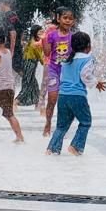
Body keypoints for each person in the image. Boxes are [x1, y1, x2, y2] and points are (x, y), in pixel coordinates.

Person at [46, 31, 105, 156]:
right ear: (88, 46)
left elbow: (62, 76)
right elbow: (85, 75)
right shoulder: (88, 59)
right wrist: (96, 83)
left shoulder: (66, 60)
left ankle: (52, 149)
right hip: (77, 96)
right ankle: (75, 147)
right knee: (85, 122)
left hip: (63, 96)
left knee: (61, 126)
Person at [41, 8, 77, 137]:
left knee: (67, 101)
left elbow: (76, 54)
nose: (67, 20)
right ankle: (48, 123)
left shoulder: (73, 37)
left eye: (70, 18)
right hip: (54, 70)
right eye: (65, 18)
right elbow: (46, 53)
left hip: (68, 72)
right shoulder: (52, 35)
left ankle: (61, 126)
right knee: (52, 99)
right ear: (59, 19)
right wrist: (44, 40)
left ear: (74, 21)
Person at [17, 24, 43, 108]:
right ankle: (15, 102)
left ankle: (37, 103)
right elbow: (40, 56)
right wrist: (45, 63)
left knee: (34, 84)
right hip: (30, 63)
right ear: (35, 33)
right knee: (27, 84)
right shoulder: (35, 43)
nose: (42, 33)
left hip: (27, 63)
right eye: (40, 32)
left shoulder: (30, 41)